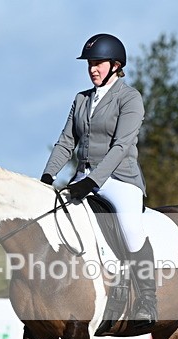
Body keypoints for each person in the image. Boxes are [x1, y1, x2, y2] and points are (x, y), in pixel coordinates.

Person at [40, 33, 157, 323]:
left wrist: (92, 182)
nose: (93, 69)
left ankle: (147, 300)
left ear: (116, 65)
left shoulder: (130, 98)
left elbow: (121, 147)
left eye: (99, 63)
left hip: (120, 179)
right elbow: (66, 142)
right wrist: (46, 176)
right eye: (90, 63)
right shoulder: (81, 99)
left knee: (130, 229)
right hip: (83, 179)